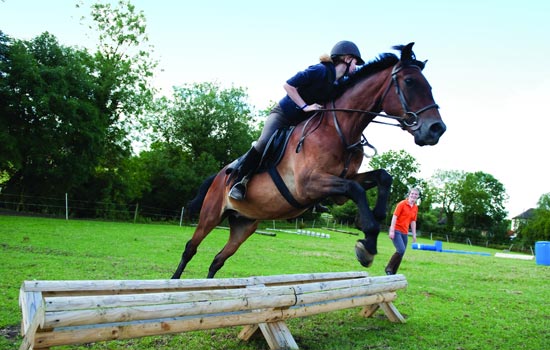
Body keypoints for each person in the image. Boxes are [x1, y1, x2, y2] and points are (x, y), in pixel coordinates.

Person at [229, 40, 365, 201]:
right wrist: (304, 106)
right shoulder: (319, 70)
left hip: (303, 123)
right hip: (283, 114)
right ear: (347, 58)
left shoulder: (339, 83)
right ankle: (239, 182)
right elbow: (288, 86)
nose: (356, 67)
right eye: (356, 62)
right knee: (264, 141)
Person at [385, 188, 420, 275]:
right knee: (400, 250)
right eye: (412, 193)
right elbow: (394, 216)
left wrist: (414, 234)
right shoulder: (402, 204)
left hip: (405, 232)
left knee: (402, 253)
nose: (413, 195)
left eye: (416, 194)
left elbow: (413, 221)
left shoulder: (415, 207)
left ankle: (393, 273)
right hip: (396, 230)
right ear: (409, 194)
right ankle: (388, 268)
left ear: (418, 196)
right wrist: (392, 230)